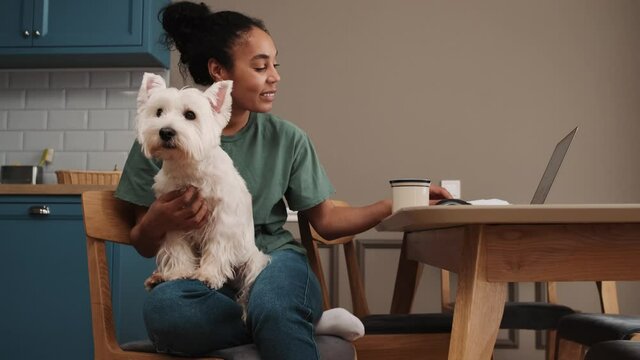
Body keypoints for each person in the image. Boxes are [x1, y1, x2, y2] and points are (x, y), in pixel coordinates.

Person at [115, 1, 452, 359]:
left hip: (272, 260)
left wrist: (393, 204)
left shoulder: (287, 139)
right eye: (260, 67)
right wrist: (159, 219)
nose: (274, 76)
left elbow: (327, 221)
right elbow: (144, 241)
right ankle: (294, 321)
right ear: (219, 71)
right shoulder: (161, 139)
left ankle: (282, 315)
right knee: (170, 314)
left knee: (275, 302)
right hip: (199, 273)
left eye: (275, 65)